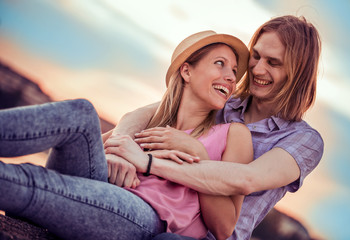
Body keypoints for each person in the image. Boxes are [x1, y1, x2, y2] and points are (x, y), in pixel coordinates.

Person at [0, 30, 252, 240]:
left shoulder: (233, 135)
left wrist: (199, 155)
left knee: (37, 182)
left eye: (234, 70)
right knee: (82, 111)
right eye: (220, 63)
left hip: (146, 217)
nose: (231, 77)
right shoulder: (148, 122)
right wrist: (114, 155)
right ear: (186, 72)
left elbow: (223, 228)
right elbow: (80, 148)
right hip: (103, 193)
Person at [103, 15, 324, 240]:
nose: (257, 70)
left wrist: (150, 163)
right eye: (255, 56)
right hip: (165, 216)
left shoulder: (303, 140)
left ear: (297, 74)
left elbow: (247, 179)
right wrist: (119, 151)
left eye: (273, 62)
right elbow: (147, 113)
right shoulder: (222, 99)